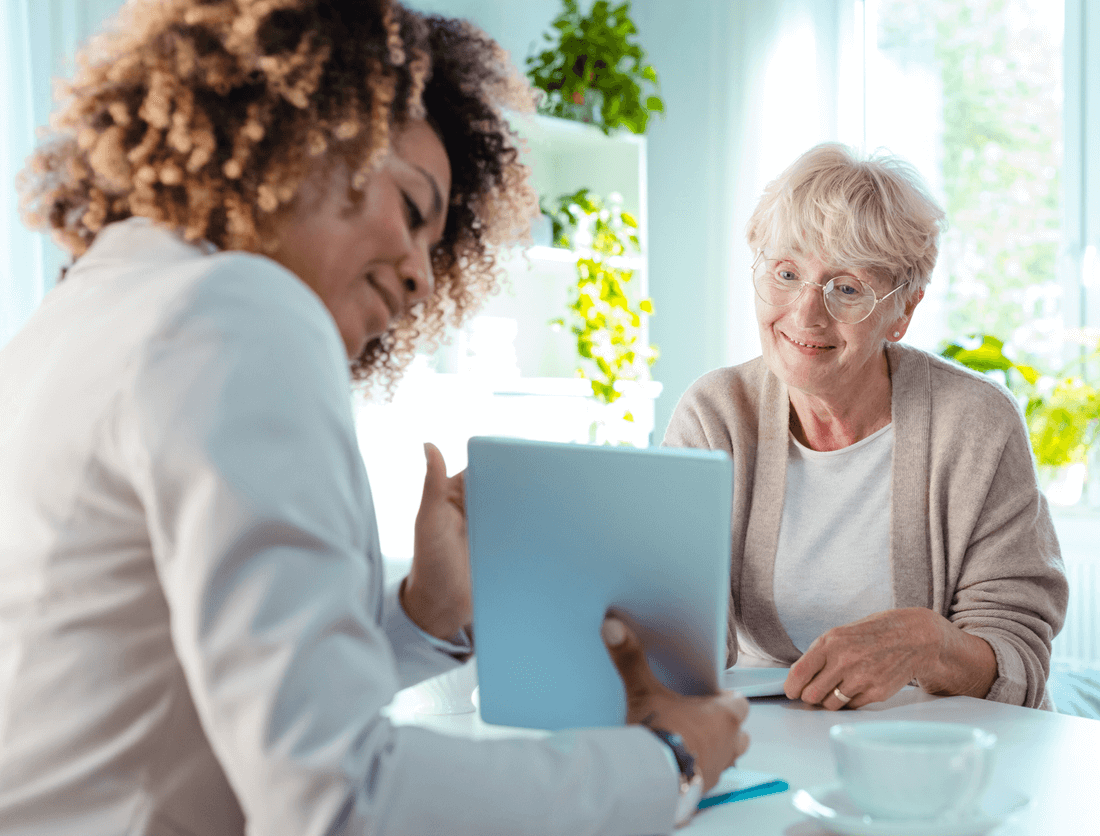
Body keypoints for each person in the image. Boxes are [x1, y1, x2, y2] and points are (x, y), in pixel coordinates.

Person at [0, 1, 749, 833]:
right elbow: (341, 795)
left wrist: (427, 610)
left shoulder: (89, 309)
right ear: (298, 136)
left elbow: (217, 698)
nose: (425, 279)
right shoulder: (244, 311)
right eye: (413, 208)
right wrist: (665, 762)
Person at [664, 143, 1068, 712]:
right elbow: (671, 627)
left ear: (902, 311)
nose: (806, 313)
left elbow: (1018, 658)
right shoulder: (714, 414)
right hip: (767, 734)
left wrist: (927, 643)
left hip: (938, 747)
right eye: (786, 273)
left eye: (847, 287)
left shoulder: (976, 424)